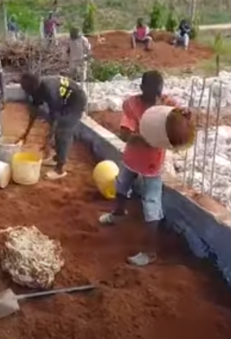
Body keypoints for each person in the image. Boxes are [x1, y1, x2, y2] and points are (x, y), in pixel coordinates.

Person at [98, 70, 189, 267]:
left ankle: (150, 252)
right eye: (151, 93)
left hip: (152, 162)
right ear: (141, 89)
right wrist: (144, 137)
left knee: (151, 204)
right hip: (133, 156)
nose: (156, 97)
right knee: (122, 185)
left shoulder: (167, 104)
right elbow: (123, 134)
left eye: (158, 92)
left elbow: (181, 121)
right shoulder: (132, 104)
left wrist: (185, 119)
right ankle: (118, 214)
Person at [17, 73, 87, 180]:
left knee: (63, 131)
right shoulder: (37, 88)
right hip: (64, 102)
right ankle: (56, 157)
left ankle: (60, 169)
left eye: (27, 91)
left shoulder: (49, 91)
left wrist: (48, 141)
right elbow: (34, 112)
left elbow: (56, 118)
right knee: (54, 125)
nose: (26, 93)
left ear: (33, 89)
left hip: (76, 101)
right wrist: (26, 134)